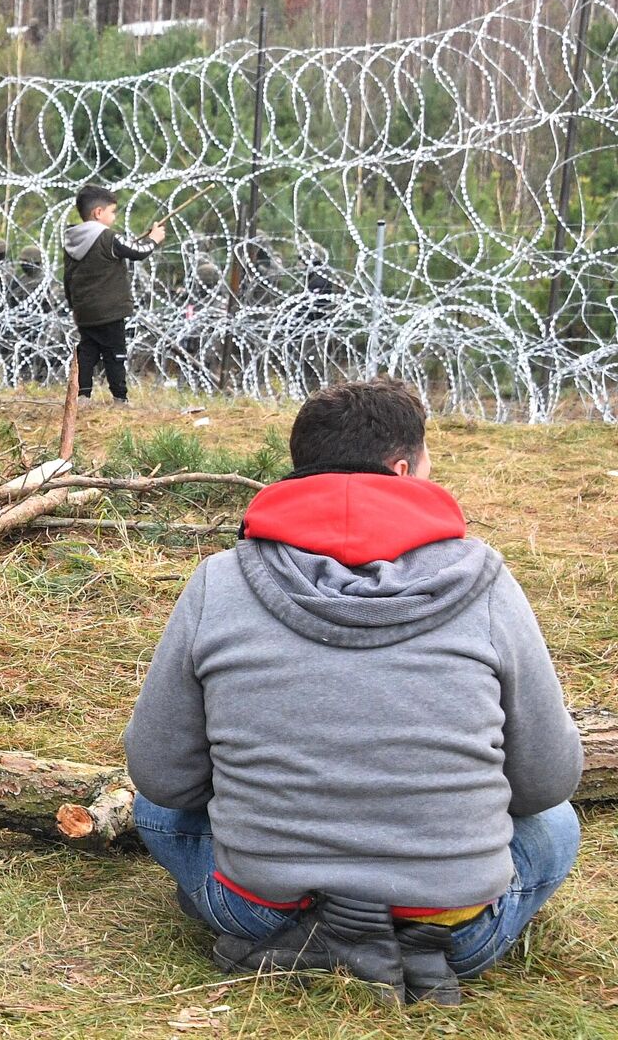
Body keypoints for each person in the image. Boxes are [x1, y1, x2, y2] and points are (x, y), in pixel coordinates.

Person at [123, 378, 581, 1005]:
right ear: (402, 469)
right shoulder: (489, 583)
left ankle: (313, 930)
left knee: (153, 812)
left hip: (260, 906)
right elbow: (547, 783)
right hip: (458, 929)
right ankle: (409, 936)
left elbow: (161, 776)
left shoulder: (219, 582)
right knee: (556, 825)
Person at [62, 185, 164, 403]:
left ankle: (83, 396)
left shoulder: (71, 239)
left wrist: (73, 305)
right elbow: (137, 252)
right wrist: (154, 238)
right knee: (114, 354)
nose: (114, 217)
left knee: (87, 353)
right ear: (98, 213)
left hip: (84, 310)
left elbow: (68, 276)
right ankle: (120, 397)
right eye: (112, 212)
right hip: (110, 310)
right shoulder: (108, 237)